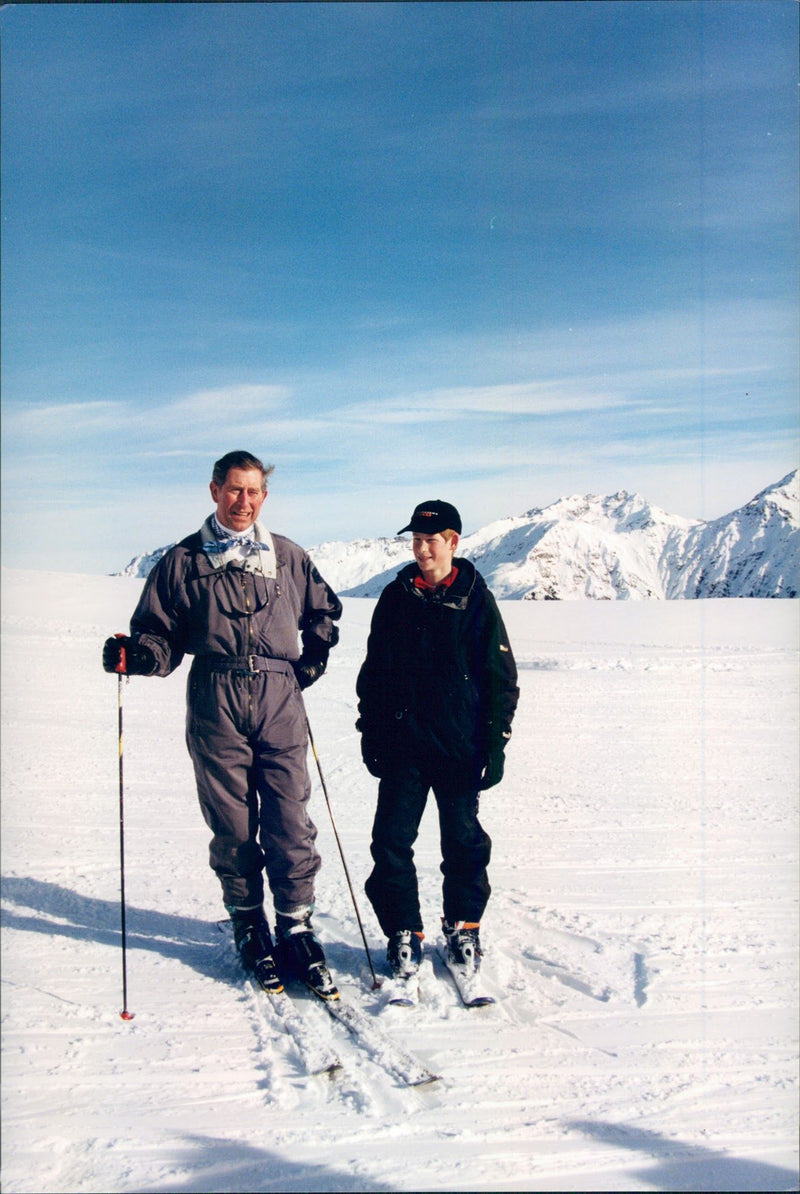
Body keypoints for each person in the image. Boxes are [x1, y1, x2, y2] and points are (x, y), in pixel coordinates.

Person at [102, 450, 342, 999]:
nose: (244, 502)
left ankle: (296, 925)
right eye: (234, 490)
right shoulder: (183, 560)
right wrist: (138, 656)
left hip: (280, 696)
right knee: (232, 822)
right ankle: (248, 922)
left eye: (254, 492)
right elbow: (158, 634)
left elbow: (325, 612)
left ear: (265, 496)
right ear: (214, 491)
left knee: (288, 814)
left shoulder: (287, 556)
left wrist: (314, 657)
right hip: (216, 692)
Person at [356, 499, 519, 985]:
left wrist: (495, 744)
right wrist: (372, 729)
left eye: (432, 540)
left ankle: (463, 927)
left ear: (453, 542)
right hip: (405, 744)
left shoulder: (475, 599)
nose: (422, 549)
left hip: (459, 746)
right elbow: (375, 674)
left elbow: (500, 678)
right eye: (416, 540)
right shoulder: (395, 597)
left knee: (464, 842)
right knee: (390, 842)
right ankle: (403, 931)